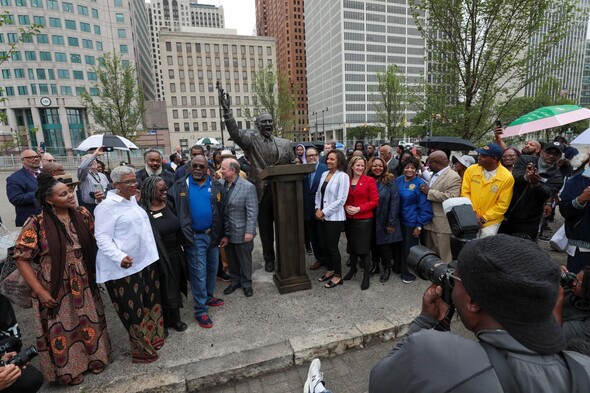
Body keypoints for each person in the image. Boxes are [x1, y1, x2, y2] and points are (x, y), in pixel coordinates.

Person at [369, 235, 590, 392]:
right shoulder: (582, 366)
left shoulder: (431, 353)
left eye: (455, 281)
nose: (451, 286)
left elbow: (378, 381)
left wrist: (425, 321)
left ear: (473, 302)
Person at [14, 173, 110, 385]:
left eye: (70, 191)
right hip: (55, 282)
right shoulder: (36, 223)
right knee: (62, 325)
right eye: (63, 194)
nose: (70, 196)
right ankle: (69, 370)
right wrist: (40, 291)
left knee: (88, 318)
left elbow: (98, 240)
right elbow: (21, 258)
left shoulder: (83, 213)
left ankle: (95, 358)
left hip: (84, 278)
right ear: (49, 199)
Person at [94, 166, 164, 364]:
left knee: (150, 303)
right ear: (116, 185)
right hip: (122, 267)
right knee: (133, 309)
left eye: (135, 180)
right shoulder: (106, 207)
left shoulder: (132, 199)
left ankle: (154, 337)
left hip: (145, 262)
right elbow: (102, 237)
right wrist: (119, 256)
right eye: (128, 182)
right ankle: (142, 350)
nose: (134, 185)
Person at [221, 90, 295, 273]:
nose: (268, 124)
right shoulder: (251, 141)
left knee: (285, 227)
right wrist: (228, 112)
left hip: (282, 192)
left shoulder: (285, 143)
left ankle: (287, 258)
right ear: (257, 125)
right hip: (261, 192)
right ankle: (269, 258)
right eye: (264, 121)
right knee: (266, 229)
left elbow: (293, 165)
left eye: (270, 121)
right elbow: (235, 134)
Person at [168, 155, 225, 328]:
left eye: (202, 166)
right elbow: (170, 208)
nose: (198, 169)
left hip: (213, 236)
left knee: (212, 270)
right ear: (190, 167)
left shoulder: (216, 185)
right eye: (195, 166)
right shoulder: (179, 186)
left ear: (208, 167)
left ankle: (208, 297)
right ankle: (201, 310)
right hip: (194, 237)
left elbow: (223, 211)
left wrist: (224, 234)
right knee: (198, 274)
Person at [140, 176, 188, 334]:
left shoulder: (170, 204)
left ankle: (176, 318)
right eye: (161, 190)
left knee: (175, 285)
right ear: (150, 191)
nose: (165, 191)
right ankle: (163, 321)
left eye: (165, 188)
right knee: (161, 289)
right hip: (157, 257)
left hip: (175, 253)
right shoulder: (143, 212)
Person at [500, 142, 564, 241]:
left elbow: (547, 193)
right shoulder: (525, 159)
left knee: (522, 250)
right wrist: (526, 177)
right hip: (506, 213)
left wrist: (536, 184)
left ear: (559, 157)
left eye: (555, 154)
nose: (551, 156)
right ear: (542, 151)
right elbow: (514, 175)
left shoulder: (557, 177)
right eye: (548, 152)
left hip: (529, 220)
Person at [219, 158, 258, 297]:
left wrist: (249, 231)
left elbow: (252, 211)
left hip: (242, 232)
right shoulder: (220, 184)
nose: (220, 171)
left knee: (244, 259)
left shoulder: (248, 187)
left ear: (232, 170)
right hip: (226, 232)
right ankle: (235, 281)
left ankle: (247, 283)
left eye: (223, 168)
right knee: (231, 258)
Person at [461, 143, 514, 238]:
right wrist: (473, 213)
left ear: (494, 159)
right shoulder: (471, 170)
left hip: (491, 222)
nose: (479, 158)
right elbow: (465, 193)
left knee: (485, 249)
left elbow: (502, 204)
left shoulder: (507, 177)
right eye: (480, 154)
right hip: (470, 217)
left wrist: (484, 218)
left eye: (484, 156)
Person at [315, 150, 350, 289]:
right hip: (321, 216)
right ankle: (329, 270)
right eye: (328, 159)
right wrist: (317, 209)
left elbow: (341, 200)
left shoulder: (343, 176)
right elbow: (318, 194)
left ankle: (338, 275)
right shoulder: (324, 174)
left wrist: (324, 212)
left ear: (339, 161)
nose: (329, 161)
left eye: (332, 159)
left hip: (334, 218)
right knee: (323, 245)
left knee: (332, 247)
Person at [342, 156, 378, 290]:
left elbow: (374, 201)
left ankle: (366, 277)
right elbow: (342, 197)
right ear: (352, 166)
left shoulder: (369, 180)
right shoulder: (346, 180)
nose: (360, 168)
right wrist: (346, 206)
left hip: (364, 220)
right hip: (349, 219)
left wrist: (359, 208)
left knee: (364, 250)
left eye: (362, 166)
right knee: (351, 247)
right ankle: (353, 270)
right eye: (358, 165)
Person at [419, 151, 462, 263]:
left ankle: (446, 278)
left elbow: (452, 197)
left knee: (444, 255)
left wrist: (429, 192)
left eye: (429, 162)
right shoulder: (434, 173)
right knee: (430, 253)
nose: (428, 165)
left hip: (442, 224)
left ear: (437, 162)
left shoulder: (453, 177)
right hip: (429, 221)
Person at [396, 157, 433, 283]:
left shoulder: (420, 184)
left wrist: (419, 226)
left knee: (409, 249)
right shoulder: (399, 180)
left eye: (412, 167)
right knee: (398, 247)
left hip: (411, 222)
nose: (409, 170)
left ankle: (407, 273)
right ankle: (398, 268)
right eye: (407, 167)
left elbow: (425, 208)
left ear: (416, 169)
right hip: (398, 221)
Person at [366, 157, 402, 283]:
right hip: (369, 218)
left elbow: (395, 201)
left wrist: (391, 222)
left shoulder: (390, 180)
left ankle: (386, 268)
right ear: (370, 166)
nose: (378, 168)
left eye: (380, 166)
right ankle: (375, 266)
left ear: (384, 167)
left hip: (384, 217)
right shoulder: (366, 179)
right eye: (375, 165)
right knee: (372, 244)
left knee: (384, 246)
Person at [558, 161, 590, 273]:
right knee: (580, 286)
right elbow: (564, 210)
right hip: (582, 250)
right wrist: (580, 200)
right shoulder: (575, 181)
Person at [304, 147, 328, 271]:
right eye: (309, 156)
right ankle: (319, 259)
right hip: (308, 210)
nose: (311, 157)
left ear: (318, 155)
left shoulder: (325, 169)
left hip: (321, 209)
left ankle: (327, 260)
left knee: (323, 237)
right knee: (313, 237)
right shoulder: (303, 170)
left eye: (314, 155)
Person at [7, 150, 41, 227]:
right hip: (30, 222)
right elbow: (15, 198)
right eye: (30, 157)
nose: (35, 159)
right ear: (23, 160)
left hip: (49, 218)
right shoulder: (14, 178)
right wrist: (39, 192)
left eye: (36, 156)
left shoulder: (45, 173)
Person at [77, 148, 109, 215]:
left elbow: (109, 189)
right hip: (91, 207)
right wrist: (95, 154)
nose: (93, 161)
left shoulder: (102, 175)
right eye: (90, 161)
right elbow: (82, 168)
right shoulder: (84, 176)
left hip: (106, 205)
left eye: (94, 160)